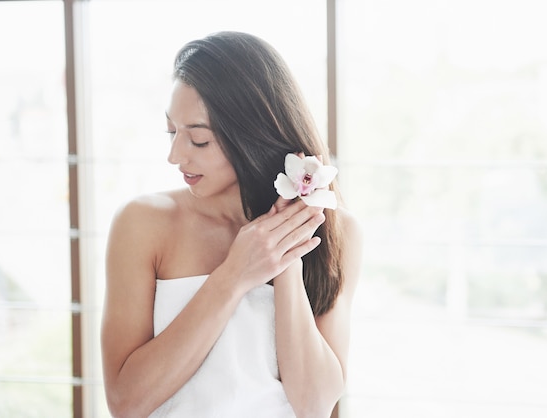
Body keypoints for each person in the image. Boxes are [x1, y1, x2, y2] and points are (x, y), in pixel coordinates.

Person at [101, 31, 362, 418]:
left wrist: (283, 256)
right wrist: (233, 276)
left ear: (252, 134)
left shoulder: (336, 231)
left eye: (199, 140)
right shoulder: (143, 224)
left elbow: (314, 404)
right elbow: (126, 402)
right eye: (172, 132)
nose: (175, 155)